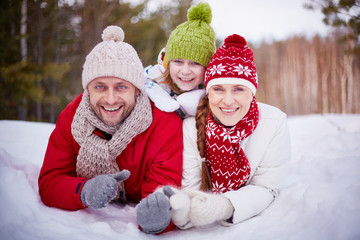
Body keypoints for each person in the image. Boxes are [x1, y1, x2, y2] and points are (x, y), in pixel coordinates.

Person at [38, 25, 183, 234]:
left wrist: (158, 218)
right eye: (100, 86)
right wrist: (83, 190)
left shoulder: (163, 123)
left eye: (121, 86)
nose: (111, 99)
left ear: (137, 89)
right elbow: (50, 182)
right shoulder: (71, 118)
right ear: (87, 89)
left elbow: (163, 193)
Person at [160, 34, 291, 229]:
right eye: (219, 89)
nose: (228, 101)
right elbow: (190, 187)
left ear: (252, 92)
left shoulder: (273, 122)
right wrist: (183, 211)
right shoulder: (190, 127)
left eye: (238, 89)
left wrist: (225, 206)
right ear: (208, 92)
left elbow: (267, 187)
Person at [144, 2, 216, 118]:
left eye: (195, 63)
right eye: (178, 61)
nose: (185, 71)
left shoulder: (213, 90)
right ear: (168, 62)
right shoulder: (149, 81)